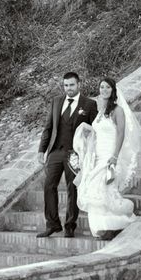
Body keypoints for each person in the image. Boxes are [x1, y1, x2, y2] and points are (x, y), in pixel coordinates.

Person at [73, 77, 141, 240]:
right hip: (97, 156)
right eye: (101, 87)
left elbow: (120, 133)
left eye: (107, 87)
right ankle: (103, 227)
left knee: (104, 189)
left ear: (113, 90)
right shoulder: (100, 110)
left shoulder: (117, 110)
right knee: (94, 190)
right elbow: (99, 132)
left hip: (109, 156)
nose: (104, 90)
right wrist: (87, 130)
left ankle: (112, 226)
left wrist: (115, 156)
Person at [37, 72, 98, 238]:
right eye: (66, 85)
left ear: (78, 84)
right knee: (49, 186)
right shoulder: (57, 102)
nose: (68, 88)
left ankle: (70, 225)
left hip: (75, 153)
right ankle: (53, 224)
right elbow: (48, 127)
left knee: (73, 188)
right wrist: (42, 150)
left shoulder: (89, 104)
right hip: (56, 151)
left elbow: (95, 132)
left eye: (71, 85)